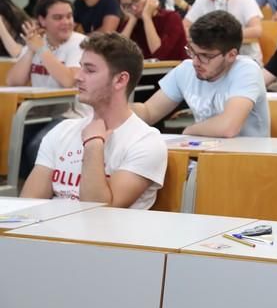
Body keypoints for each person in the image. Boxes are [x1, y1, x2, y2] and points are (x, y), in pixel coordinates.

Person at [21, 32, 167, 209]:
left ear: (120, 80)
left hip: (106, 235)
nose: (77, 76)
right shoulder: (62, 131)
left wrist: (93, 144)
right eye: (80, 67)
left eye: (89, 70)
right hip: (52, 233)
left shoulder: (145, 142)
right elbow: (28, 206)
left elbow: (97, 212)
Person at [132, 10, 269, 138]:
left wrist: (189, 131)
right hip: (204, 155)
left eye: (205, 56)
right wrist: (116, 109)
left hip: (248, 159)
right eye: (192, 51)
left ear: (231, 55)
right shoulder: (186, 70)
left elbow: (228, 127)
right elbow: (148, 112)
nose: (195, 62)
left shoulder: (246, 70)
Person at [6, 0, 88, 178]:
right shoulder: (37, 42)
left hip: (71, 115)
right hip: (39, 114)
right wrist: (31, 50)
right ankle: (21, 191)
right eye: (58, 18)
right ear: (42, 20)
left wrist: (41, 50)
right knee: (10, 140)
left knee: (38, 145)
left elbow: (68, 81)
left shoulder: (80, 43)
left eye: (69, 16)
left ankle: (44, 192)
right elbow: (13, 81)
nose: (66, 22)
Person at [185, 0, 263, 64]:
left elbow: (257, 30)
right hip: (211, 61)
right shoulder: (202, 0)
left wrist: (222, 37)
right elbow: (185, 26)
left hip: (245, 58)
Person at [116, 0, 187, 60]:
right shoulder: (128, 24)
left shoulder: (171, 18)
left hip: (172, 70)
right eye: (126, 5)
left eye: (136, 0)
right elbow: (116, 55)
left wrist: (147, 17)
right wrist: (132, 21)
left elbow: (159, 55)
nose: (134, 8)